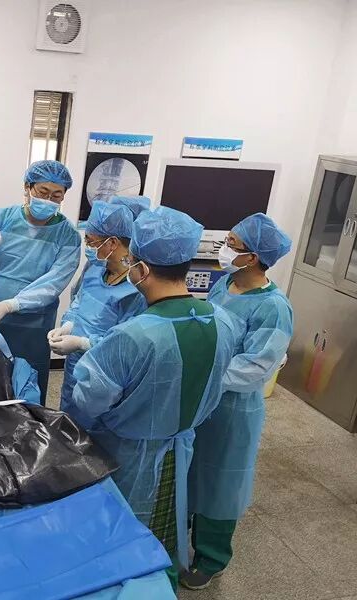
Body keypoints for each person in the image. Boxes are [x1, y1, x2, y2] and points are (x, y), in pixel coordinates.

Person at [61, 206, 238, 591]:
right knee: (163, 528)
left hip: (126, 455)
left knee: (124, 535)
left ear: (140, 269)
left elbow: (87, 401)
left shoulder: (133, 336)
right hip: (180, 447)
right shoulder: (223, 322)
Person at [183, 213, 293, 590]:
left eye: (233, 243)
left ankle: (212, 557)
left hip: (233, 409)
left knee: (221, 482)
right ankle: (181, 537)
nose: (224, 248)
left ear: (255, 257)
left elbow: (256, 367)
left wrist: (206, 375)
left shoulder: (274, 307)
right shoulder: (225, 284)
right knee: (192, 469)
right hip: (203, 401)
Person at [0, 160, 81, 403]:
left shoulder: (68, 236)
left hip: (34, 324)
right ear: (27, 187)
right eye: (43, 192)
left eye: (56, 195)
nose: (48, 200)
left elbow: (53, 283)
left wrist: (11, 304)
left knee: (29, 385)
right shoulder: (0, 219)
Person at [48, 199, 148, 409]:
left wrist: (83, 343)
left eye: (91, 241)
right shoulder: (95, 268)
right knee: (69, 412)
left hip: (105, 374)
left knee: (95, 420)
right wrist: (68, 326)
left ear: (112, 243)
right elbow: (78, 302)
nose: (88, 247)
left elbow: (125, 343)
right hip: (75, 365)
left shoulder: (136, 289)